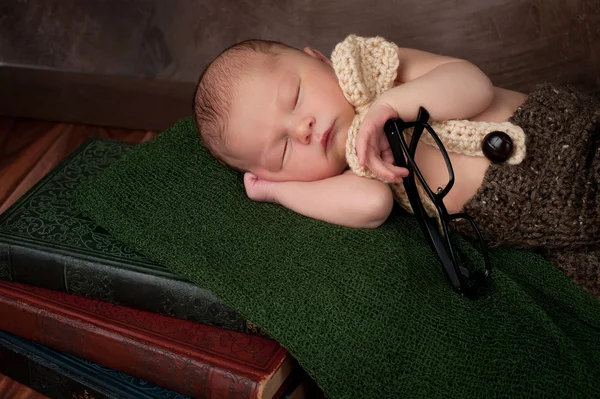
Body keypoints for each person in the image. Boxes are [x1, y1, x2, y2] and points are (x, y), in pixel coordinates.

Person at [194, 35, 599, 297]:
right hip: (544, 231)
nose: (302, 129)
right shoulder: (359, 170)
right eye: (282, 152)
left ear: (318, 59)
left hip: (566, 137)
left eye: (295, 95)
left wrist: (391, 107)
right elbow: (370, 206)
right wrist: (277, 190)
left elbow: (473, 84)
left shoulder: (382, 71)